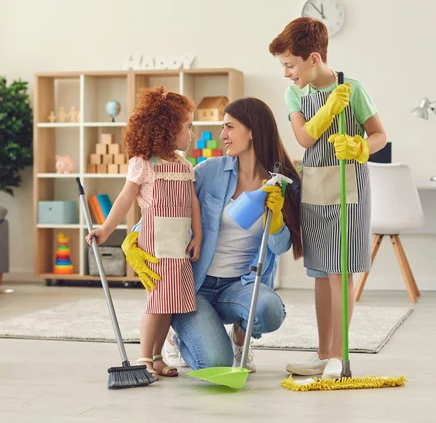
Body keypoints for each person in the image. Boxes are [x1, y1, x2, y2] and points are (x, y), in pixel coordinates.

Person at [120, 97, 302, 372]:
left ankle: (240, 339)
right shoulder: (209, 171)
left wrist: (275, 219)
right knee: (216, 363)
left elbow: (280, 246)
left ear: (251, 130)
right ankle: (182, 337)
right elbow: (169, 210)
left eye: (229, 127)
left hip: (240, 286)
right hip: (196, 286)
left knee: (269, 310)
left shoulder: (282, 181)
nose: (223, 135)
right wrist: (134, 238)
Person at [269, 17, 388, 379]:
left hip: (348, 190)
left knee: (340, 272)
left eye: (290, 64)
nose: (287, 73)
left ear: (314, 57)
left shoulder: (353, 89)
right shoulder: (295, 94)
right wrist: (328, 110)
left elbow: (380, 135)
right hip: (315, 188)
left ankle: (339, 355)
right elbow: (304, 139)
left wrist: (360, 147)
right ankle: (324, 354)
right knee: (320, 272)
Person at [85, 86, 202, 379]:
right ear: (166, 130)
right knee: (157, 301)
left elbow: (193, 204)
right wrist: (106, 228)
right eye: (187, 127)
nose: (192, 133)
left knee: (171, 303)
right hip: (155, 244)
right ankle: (143, 356)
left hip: (178, 244)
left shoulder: (185, 166)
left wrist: (197, 236)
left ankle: (158, 355)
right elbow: (125, 198)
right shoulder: (143, 164)